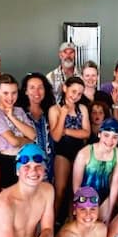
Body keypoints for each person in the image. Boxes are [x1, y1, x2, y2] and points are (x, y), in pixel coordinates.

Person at [48, 75, 90, 215]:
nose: (76, 96)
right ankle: (52, 223)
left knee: (75, 191)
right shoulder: (55, 109)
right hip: (62, 152)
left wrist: (66, 130)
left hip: (79, 152)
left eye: (79, 93)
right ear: (65, 88)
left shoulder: (82, 109)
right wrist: (63, 115)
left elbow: (86, 133)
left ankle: (71, 221)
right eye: (73, 91)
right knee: (60, 189)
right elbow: (56, 136)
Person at [0, 73, 36, 189]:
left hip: (25, 159)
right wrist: (27, 140)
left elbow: (33, 135)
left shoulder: (19, 111)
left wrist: (12, 117)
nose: (10, 97)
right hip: (6, 161)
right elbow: (13, 141)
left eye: (14, 93)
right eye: (5, 93)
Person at [71, 118, 118, 224]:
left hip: (104, 198)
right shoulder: (84, 153)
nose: (110, 141)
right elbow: (76, 186)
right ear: (99, 134)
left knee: (102, 226)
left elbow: (114, 184)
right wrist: (80, 205)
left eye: (115, 137)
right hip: (84, 197)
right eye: (106, 135)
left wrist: (110, 211)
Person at [19, 72, 56, 182]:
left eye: (40, 87)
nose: (37, 92)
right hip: (28, 170)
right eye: (32, 88)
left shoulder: (51, 112)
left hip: (50, 169)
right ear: (25, 91)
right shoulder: (20, 114)